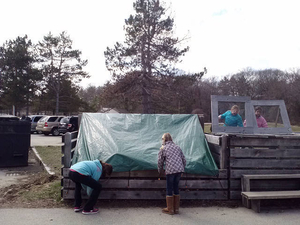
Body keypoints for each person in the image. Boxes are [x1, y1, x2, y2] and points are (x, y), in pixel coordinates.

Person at [157, 133, 186, 215]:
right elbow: (184, 160)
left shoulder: (163, 148)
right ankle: (176, 209)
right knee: (176, 187)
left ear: (164, 140)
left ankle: (170, 210)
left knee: (169, 188)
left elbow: (160, 161)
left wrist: (160, 170)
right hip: (179, 170)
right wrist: (182, 169)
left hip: (170, 171)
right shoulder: (177, 147)